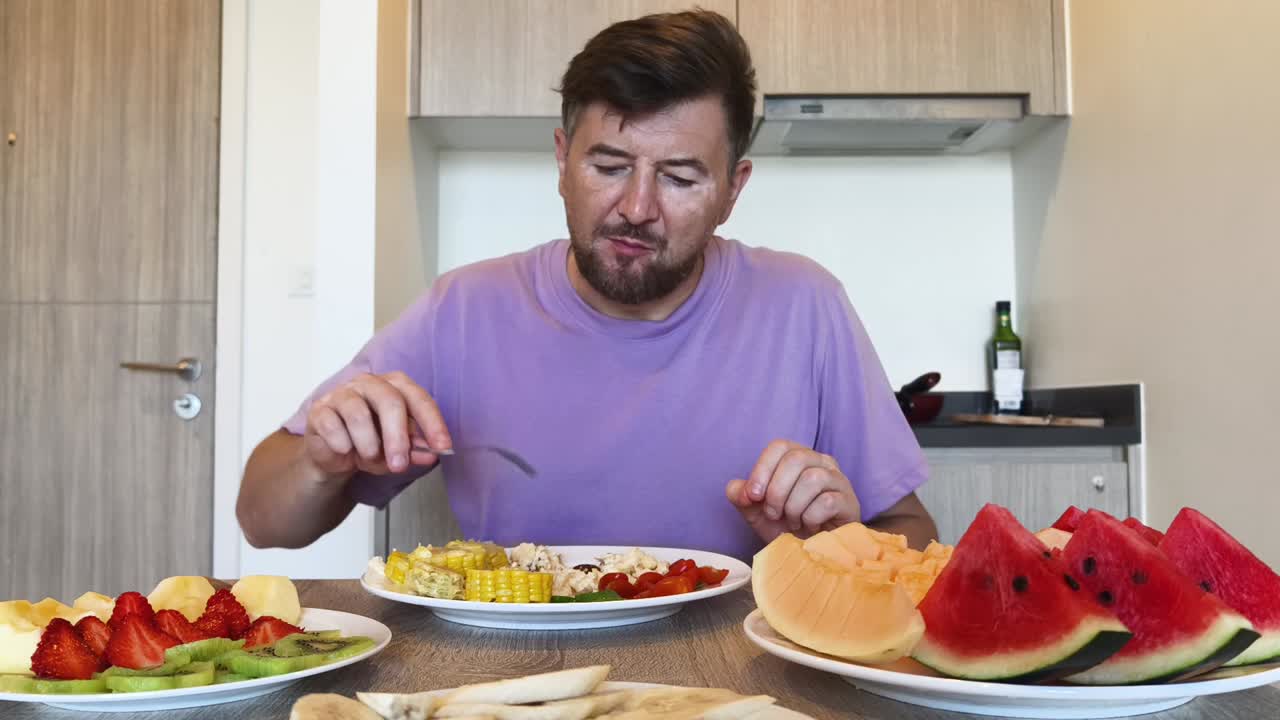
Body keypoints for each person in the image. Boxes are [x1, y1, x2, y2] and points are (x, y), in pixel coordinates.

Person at [237, 9, 937, 561]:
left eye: (680, 176)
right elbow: (262, 520)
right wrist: (321, 460)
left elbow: (912, 535)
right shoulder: (463, 310)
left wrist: (840, 542)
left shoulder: (803, 303)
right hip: (518, 681)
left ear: (732, 189)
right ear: (562, 160)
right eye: (608, 165)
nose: (636, 206)